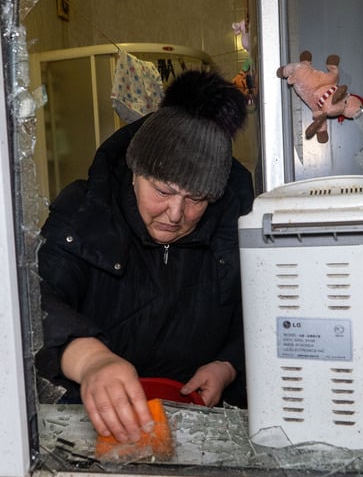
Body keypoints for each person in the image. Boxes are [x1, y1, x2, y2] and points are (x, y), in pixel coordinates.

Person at [35, 69, 253, 445]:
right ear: (135, 172)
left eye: (196, 199)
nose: (175, 213)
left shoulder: (233, 226)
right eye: (163, 191)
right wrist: (91, 360)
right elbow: (35, 301)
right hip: (87, 424)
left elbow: (260, 312)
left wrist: (228, 364)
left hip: (196, 429)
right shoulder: (83, 213)